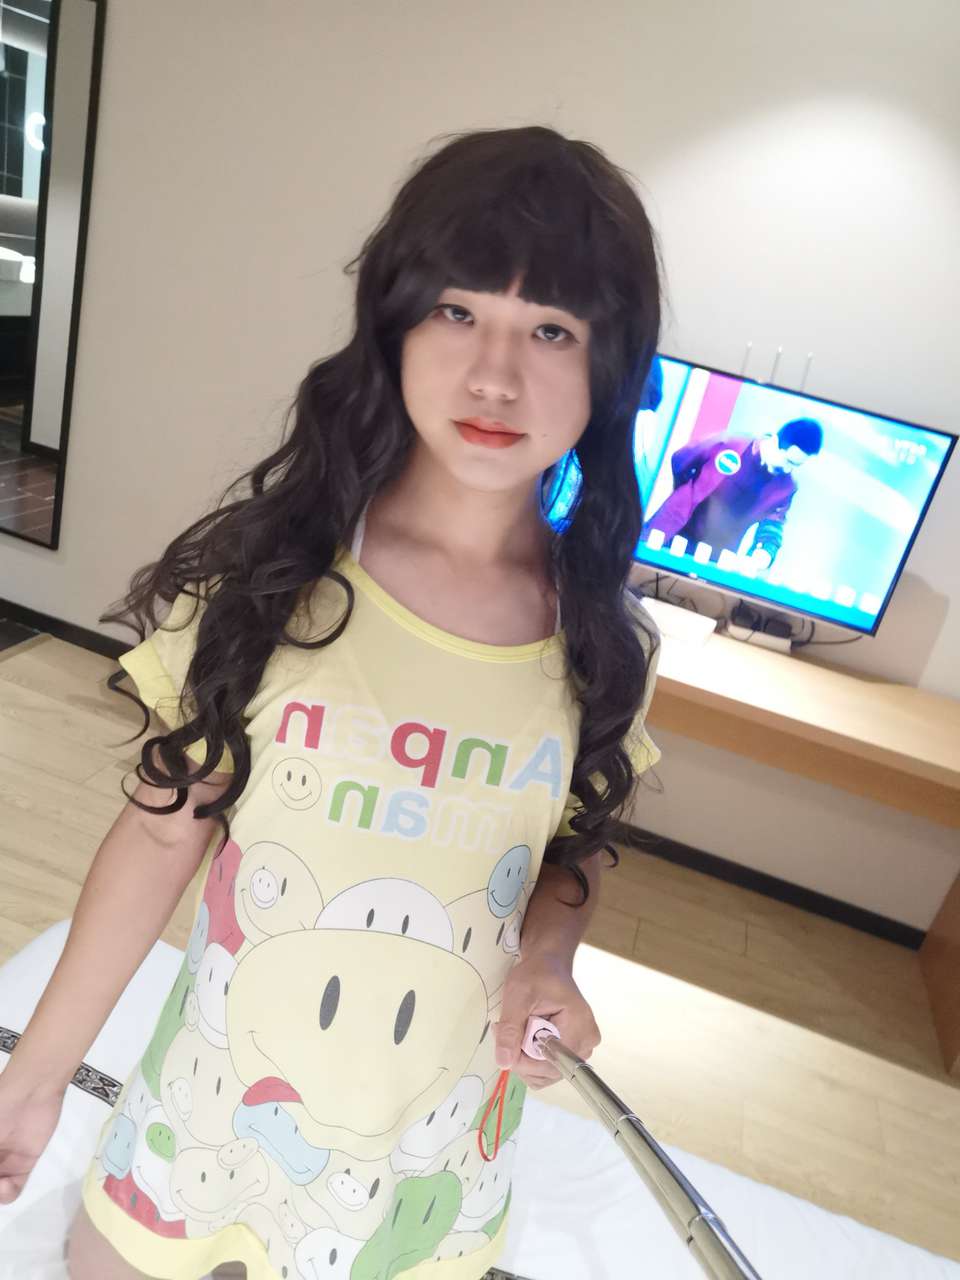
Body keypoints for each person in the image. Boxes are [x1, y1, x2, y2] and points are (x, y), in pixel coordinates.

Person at [0, 125, 663, 1280]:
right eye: (457, 310)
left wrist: (551, 956)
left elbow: (566, 852)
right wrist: (34, 1076)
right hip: (205, 1112)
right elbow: (159, 836)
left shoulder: (602, 639)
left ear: (610, 368)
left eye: (551, 329)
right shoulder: (270, 578)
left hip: (425, 1164)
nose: (496, 375)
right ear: (394, 324)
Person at [642, 417, 824, 570]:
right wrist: (685, 495)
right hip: (669, 531)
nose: (787, 469)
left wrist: (764, 554)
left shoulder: (787, 487)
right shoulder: (731, 443)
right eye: (788, 461)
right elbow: (681, 460)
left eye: (795, 465)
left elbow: (772, 527)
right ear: (776, 442)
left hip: (712, 557)